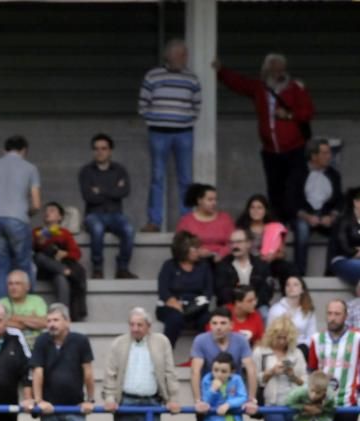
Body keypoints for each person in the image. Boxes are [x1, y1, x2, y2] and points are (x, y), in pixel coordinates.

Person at [214, 54, 314, 223]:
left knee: (292, 188)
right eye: (273, 69)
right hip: (270, 150)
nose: (277, 73)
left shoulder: (296, 88)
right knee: (274, 190)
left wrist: (289, 115)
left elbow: (308, 112)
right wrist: (221, 71)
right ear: (266, 71)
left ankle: (294, 221)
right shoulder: (260, 88)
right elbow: (239, 83)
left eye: (280, 69)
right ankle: (278, 225)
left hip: (294, 148)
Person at [139, 39, 200, 232]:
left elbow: (197, 106)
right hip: (158, 133)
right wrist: (156, 119)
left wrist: (184, 120)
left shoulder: (192, 79)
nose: (184, 58)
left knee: (185, 179)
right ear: (170, 56)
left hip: (183, 133)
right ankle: (154, 221)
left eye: (185, 54)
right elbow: (142, 104)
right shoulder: (153, 76)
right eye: (181, 54)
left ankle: (186, 222)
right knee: (157, 177)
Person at [0, 135, 41, 299]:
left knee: (1, 266)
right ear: (24, 150)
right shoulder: (30, 168)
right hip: (18, 220)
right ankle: (28, 305)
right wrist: (27, 214)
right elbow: (36, 204)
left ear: (4, 150)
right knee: (23, 265)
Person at [306, 299, 360, 421]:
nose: (333, 318)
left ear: (345, 316)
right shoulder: (316, 339)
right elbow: (311, 370)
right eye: (330, 313)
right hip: (323, 405)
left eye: (337, 314)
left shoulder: (357, 338)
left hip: (348, 402)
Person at [78, 133, 137, 278]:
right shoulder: (86, 171)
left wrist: (100, 190)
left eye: (104, 148)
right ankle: (97, 268)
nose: (100, 152)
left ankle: (122, 268)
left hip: (115, 214)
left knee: (129, 229)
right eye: (96, 149)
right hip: (93, 215)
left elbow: (124, 191)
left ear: (110, 151)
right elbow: (89, 197)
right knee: (97, 229)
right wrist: (113, 189)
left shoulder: (119, 170)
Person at [286, 138, 343, 276]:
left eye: (329, 153)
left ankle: (331, 271)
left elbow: (339, 201)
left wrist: (332, 216)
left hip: (325, 217)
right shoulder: (298, 173)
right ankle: (299, 273)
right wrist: (307, 216)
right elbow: (289, 201)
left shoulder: (334, 175)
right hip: (304, 216)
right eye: (324, 153)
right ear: (313, 155)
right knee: (302, 228)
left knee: (339, 227)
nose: (329, 156)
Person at [32, 202, 88, 322]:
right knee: (39, 257)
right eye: (46, 211)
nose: (48, 213)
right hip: (42, 267)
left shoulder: (64, 233)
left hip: (56, 269)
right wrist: (41, 240)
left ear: (60, 217)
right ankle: (66, 271)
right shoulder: (37, 231)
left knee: (61, 278)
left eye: (52, 210)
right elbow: (33, 248)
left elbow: (77, 253)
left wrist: (65, 254)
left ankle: (64, 315)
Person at [156, 231, 213, 347]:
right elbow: (163, 290)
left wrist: (196, 305)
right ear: (184, 249)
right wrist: (174, 303)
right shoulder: (169, 265)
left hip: (196, 306)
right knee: (174, 318)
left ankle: (202, 355)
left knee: (206, 319)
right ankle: (165, 354)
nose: (199, 251)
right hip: (171, 306)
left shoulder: (204, 266)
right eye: (195, 248)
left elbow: (208, 291)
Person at [235, 193, 296, 285]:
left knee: (287, 267)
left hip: (270, 262)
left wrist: (273, 256)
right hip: (249, 263)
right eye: (252, 207)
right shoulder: (242, 229)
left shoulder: (274, 228)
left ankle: (288, 296)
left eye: (259, 207)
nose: (256, 211)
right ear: (248, 210)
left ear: (266, 210)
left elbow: (282, 253)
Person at [215, 228, 273, 310]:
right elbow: (221, 292)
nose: (234, 246)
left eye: (239, 242)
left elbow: (266, 291)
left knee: (265, 313)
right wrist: (241, 305)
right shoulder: (223, 265)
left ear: (248, 243)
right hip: (232, 306)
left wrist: (251, 304)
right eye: (232, 242)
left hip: (256, 306)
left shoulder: (261, 265)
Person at [176, 184, 235, 262]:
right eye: (210, 200)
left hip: (222, 262)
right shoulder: (186, 221)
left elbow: (234, 242)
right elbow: (180, 244)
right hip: (195, 262)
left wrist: (220, 254)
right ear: (199, 200)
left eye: (215, 199)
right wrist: (196, 252)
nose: (214, 203)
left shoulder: (225, 218)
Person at [0, 269, 47, 348]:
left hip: (34, 346)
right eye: (10, 284)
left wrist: (14, 318)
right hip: (9, 347)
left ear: (27, 286)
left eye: (18, 283)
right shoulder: (0, 303)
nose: (13, 287)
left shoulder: (37, 301)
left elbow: (44, 322)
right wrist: (31, 320)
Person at [267, 275, 316, 355]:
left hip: (301, 348)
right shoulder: (275, 309)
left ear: (302, 290)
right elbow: (269, 334)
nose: (291, 287)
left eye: (295, 285)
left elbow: (311, 335)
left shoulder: (308, 310)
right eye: (288, 285)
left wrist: (304, 346)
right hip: (281, 347)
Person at [328, 188, 360, 286]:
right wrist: (356, 252)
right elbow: (343, 246)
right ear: (356, 202)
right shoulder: (343, 220)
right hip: (342, 260)